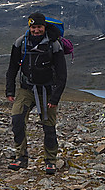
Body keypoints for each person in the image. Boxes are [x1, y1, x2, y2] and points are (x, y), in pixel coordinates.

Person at [5, 12, 67, 175]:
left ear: (44, 27)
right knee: (17, 120)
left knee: (48, 127)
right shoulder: (21, 43)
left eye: (39, 27)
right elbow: (12, 68)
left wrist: (55, 97)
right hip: (26, 90)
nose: (36, 30)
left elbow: (62, 74)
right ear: (29, 27)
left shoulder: (54, 45)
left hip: (47, 90)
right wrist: (10, 90)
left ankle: (50, 160)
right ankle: (21, 157)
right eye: (33, 27)